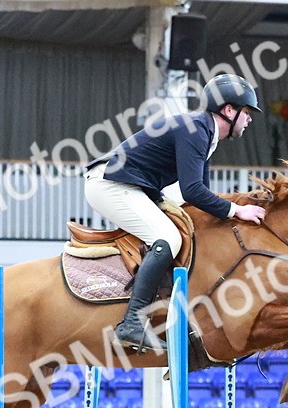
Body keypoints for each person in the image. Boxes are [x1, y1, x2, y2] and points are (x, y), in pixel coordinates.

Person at [84, 73, 268, 353]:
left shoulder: (205, 133)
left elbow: (200, 194)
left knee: (187, 228)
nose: (250, 119)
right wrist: (237, 210)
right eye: (246, 112)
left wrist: (235, 210)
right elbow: (193, 190)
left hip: (131, 185)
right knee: (169, 237)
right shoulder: (195, 129)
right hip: (110, 184)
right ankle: (132, 323)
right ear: (229, 110)